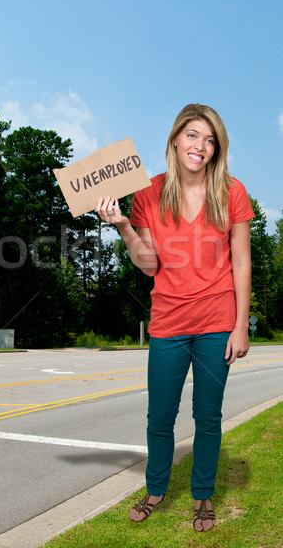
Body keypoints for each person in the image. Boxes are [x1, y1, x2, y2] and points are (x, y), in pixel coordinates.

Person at [96, 103, 254, 532]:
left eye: (209, 139)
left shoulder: (231, 191)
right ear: (174, 139)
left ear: (216, 149)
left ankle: (202, 497)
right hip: (167, 322)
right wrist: (123, 227)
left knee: (208, 416)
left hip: (217, 322)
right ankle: (155, 490)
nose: (200, 146)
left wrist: (240, 325)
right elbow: (148, 264)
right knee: (159, 416)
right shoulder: (147, 193)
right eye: (192, 135)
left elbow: (241, 262)